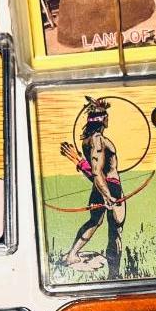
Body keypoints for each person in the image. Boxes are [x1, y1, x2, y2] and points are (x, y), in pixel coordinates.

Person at [60, 96, 125, 279]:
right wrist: (108, 195)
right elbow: (97, 172)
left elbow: (95, 172)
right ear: (103, 119)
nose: (108, 119)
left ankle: (72, 254)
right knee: (116, 229)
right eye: (106, 116)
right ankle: (114, 274)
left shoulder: (89, 140)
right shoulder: (97, 139)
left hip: (102, 187)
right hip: (111, 188)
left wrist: (80, 163)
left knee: (95, 221)